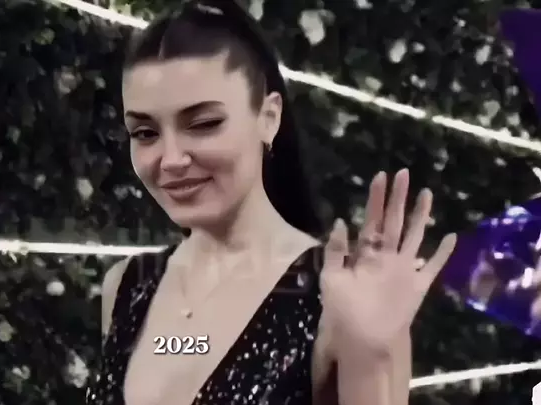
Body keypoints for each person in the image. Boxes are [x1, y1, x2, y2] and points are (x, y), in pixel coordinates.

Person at [85, 1, 456, 404]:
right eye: (145, 133)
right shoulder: (126, 286)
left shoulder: (342, 296)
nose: (171, 159)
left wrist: (372, 357)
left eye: (204, 124)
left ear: (269, 117)